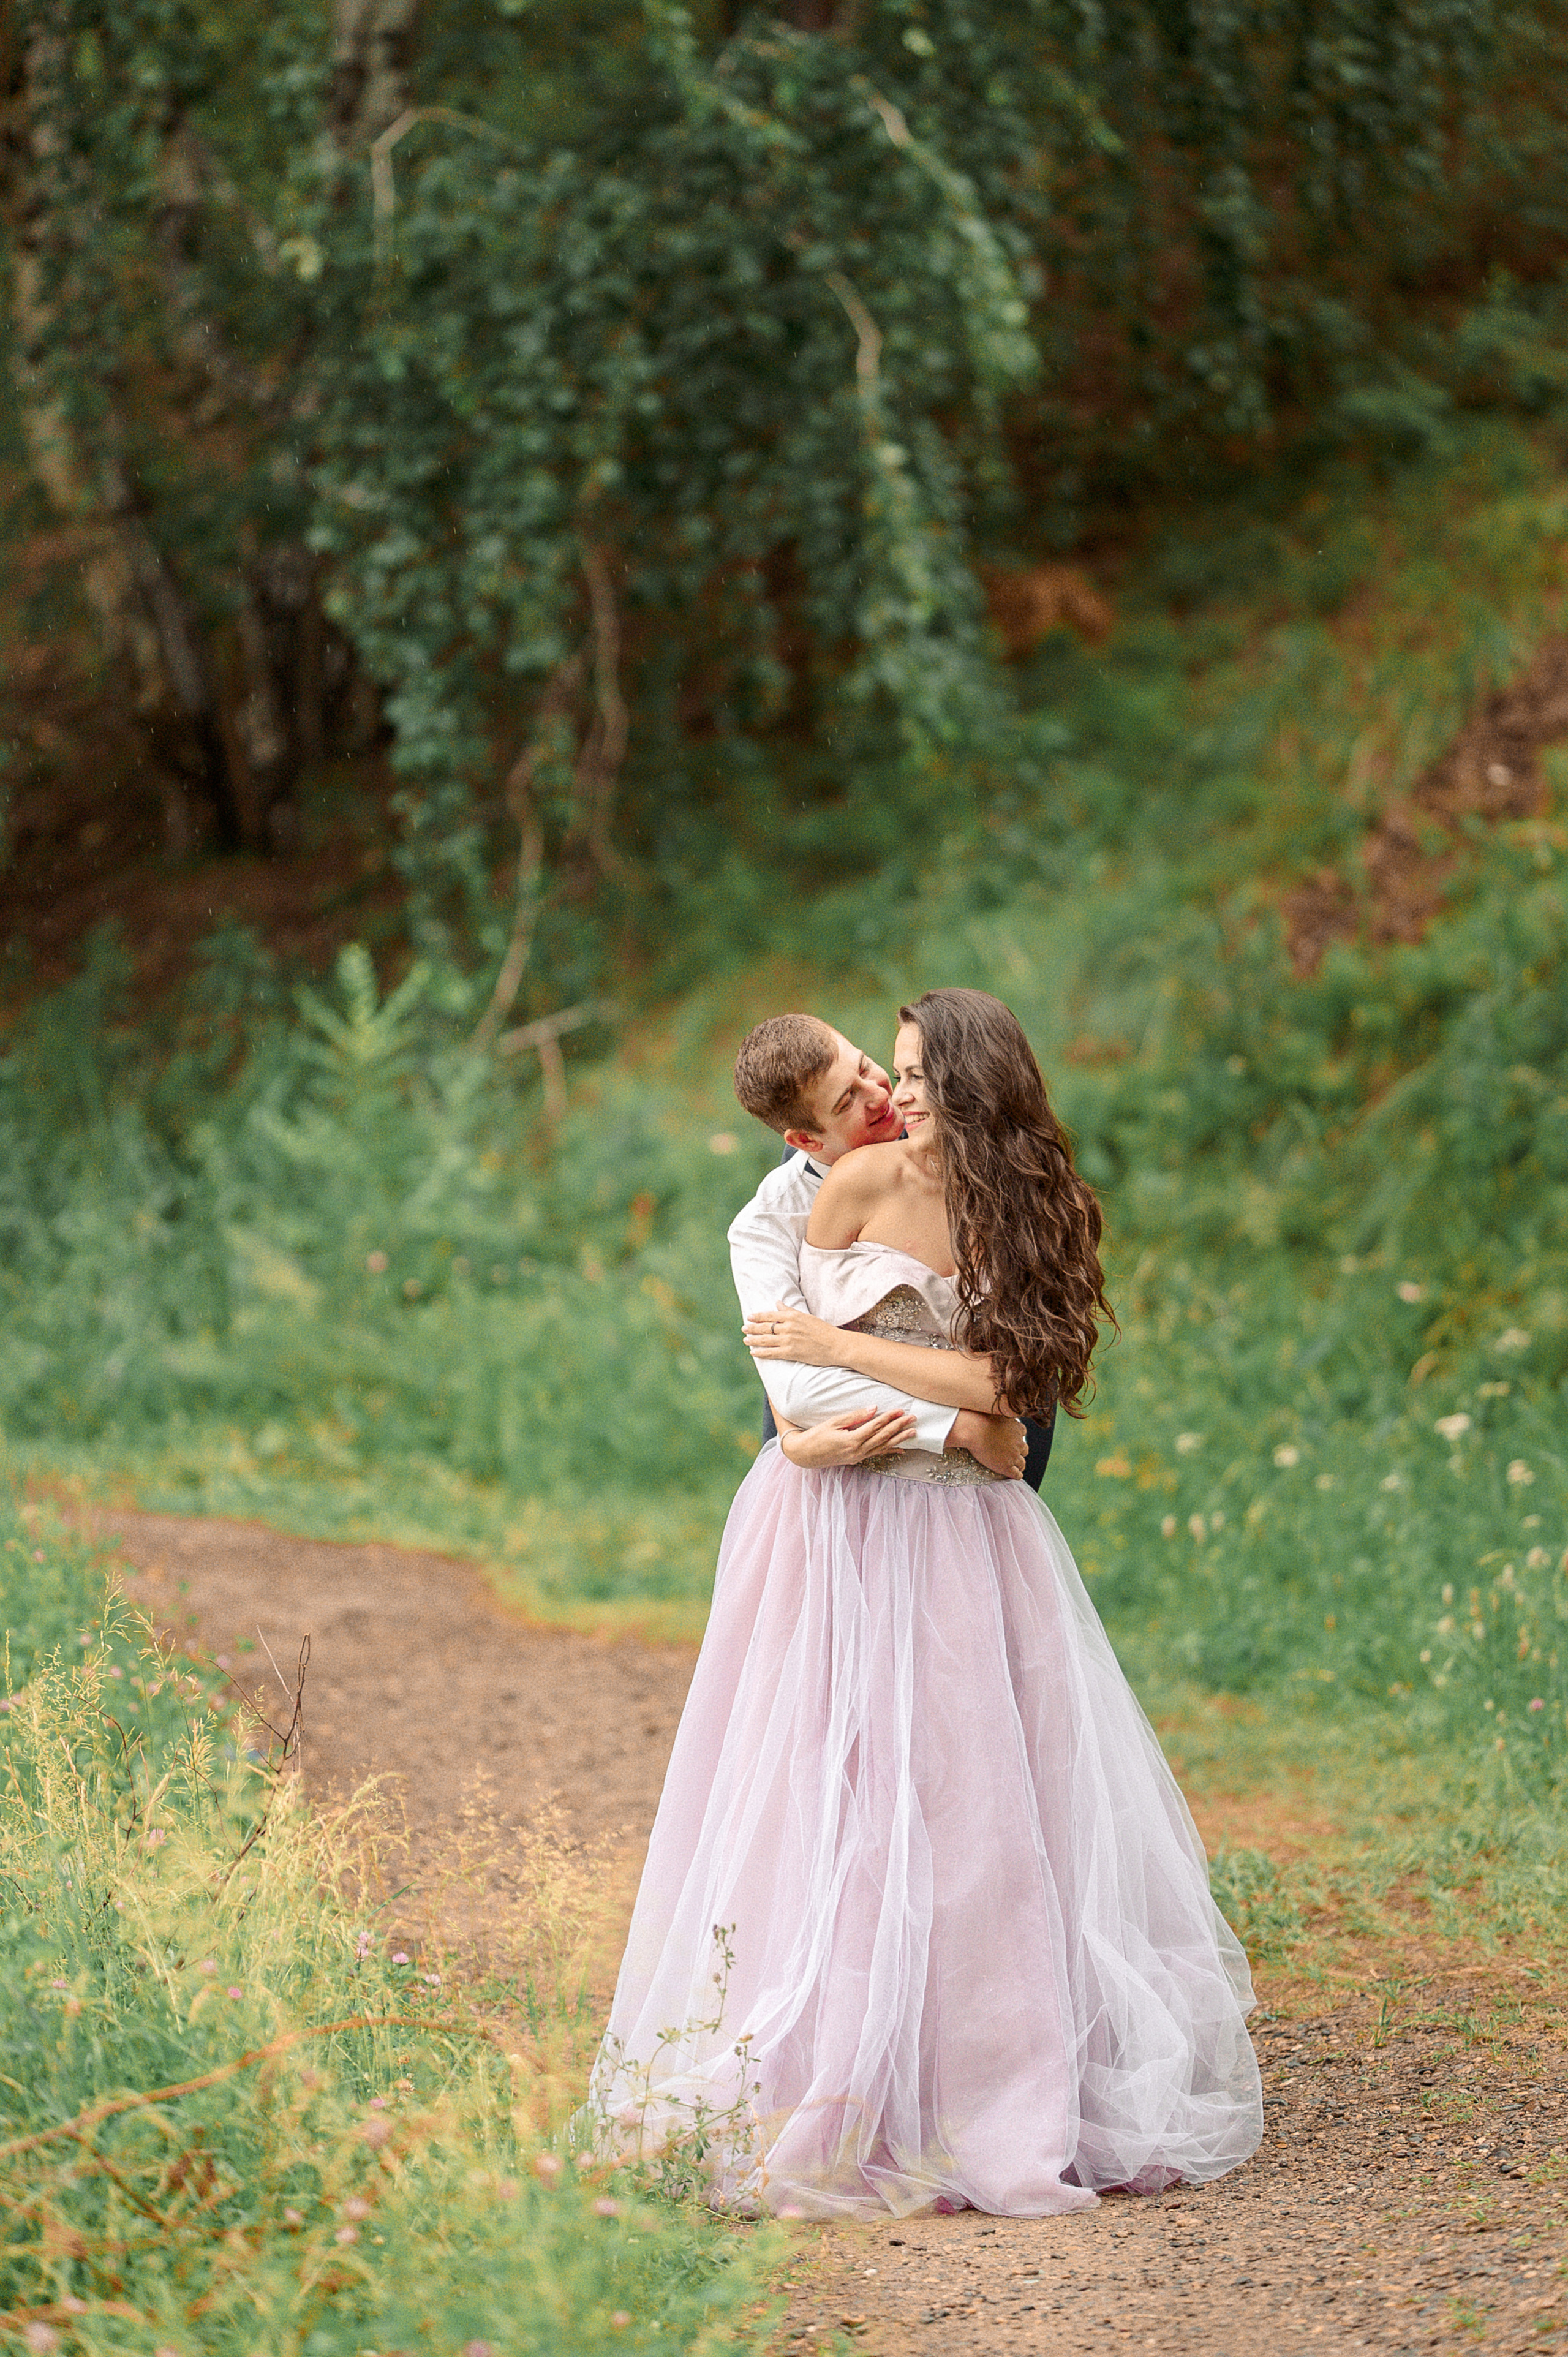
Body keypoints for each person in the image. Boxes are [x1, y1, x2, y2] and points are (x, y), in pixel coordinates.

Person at [580, 990, 1262, 2220]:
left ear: (967, 1083)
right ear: (806, 1135)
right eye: (860, 1087)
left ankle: (991, 2064)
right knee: (829, 1779)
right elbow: (800, 1390)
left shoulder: (1023, 1202)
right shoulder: (801, 1203)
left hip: (968, 1516)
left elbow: (1007, 1385)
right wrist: (946, 1413)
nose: (883, 1096)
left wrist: (926, 1389)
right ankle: (840, 2066)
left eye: (888, 1070)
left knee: (982, 1787)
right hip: (847, 1501)